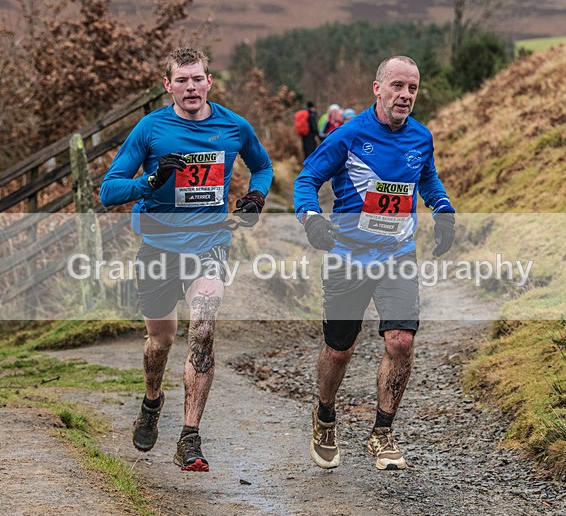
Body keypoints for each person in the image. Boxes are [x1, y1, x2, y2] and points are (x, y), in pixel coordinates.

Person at [100, 47, 273, 472]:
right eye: (182, 80)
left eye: (198, 79)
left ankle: (189, 436)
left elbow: (263, 166)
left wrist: (255, 196)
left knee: (204, 325)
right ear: (168, 85)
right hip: (158, 247)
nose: (191, 87)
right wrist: (152, 180)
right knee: (160, 340)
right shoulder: (150, 129)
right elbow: (108, 191)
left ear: (210, 81)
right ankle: (152, 401)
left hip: (210, 243)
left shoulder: (233, 126)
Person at [293, 55, 456, 471]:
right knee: (339, 350)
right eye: (397, 86)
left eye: (413, 88)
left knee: (401, 342)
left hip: (397, 255)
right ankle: (325, 415)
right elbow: (307, 179)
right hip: (348, 255)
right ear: (377, 89)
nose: (405, 95)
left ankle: (382, 432)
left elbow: (427, 177)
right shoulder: (348, 135)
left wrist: (443, 209)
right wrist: (312, 219)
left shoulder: (421, 137)